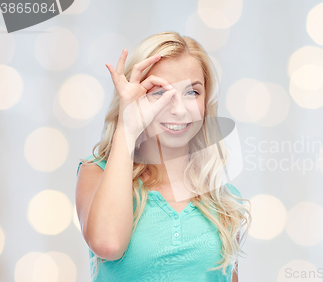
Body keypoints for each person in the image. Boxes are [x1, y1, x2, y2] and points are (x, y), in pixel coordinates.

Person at [75, 31, 250, 282]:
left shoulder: (221, 197)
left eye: (192, 92)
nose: (179, 109)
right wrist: (128, 127)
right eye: (159, 93)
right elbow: (108, 245)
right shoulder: (96, 173)